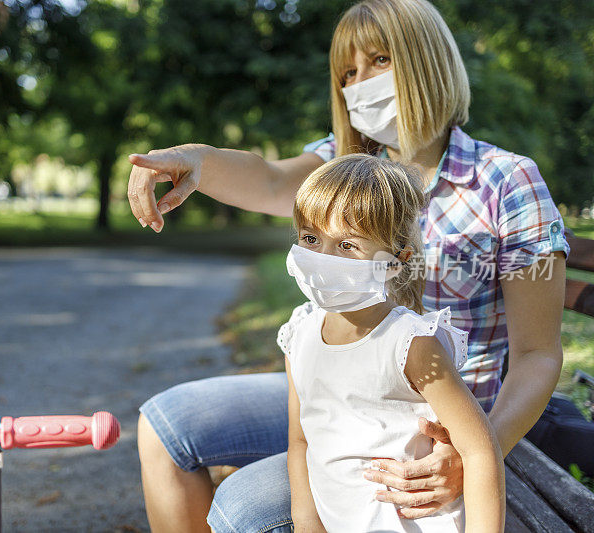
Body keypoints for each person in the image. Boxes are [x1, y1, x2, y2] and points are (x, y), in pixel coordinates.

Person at [129, 0, 569, 531]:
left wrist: (480, 448)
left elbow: (537, 355)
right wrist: (200, 160)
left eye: (380, 60)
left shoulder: (506, 182)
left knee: (243, 507)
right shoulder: (346, 170)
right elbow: (269, 179)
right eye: (348, 73)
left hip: (440, 420)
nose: (361, 84)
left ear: (427, 61)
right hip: (340, 387)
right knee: (167, 424)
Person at [282, 153, 504, 532]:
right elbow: (300, 441)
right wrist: (306, 524)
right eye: (310, 238)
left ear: (395, 262)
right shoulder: (299, 334)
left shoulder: (410, 343)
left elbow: (479, 451)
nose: (321, 259)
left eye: (347, 245)